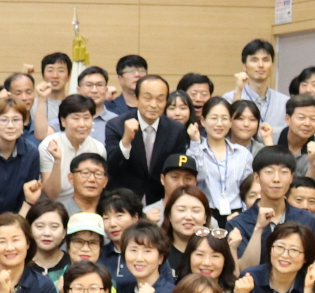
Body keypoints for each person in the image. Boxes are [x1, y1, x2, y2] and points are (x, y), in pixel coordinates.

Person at [105, 73, 187, 203]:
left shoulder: (176, 129)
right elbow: (112, 168)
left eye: (160, 99)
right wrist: (125, 141)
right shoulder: (116, 125)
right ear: (136, 99)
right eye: (147, 98)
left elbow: (176, 169)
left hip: (160, 200)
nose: (154, 105)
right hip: (123, 201)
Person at [0, 98, 41, 223]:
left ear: (23, 124)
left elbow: (27, 196)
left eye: (16, 120)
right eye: (4, 120)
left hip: (16, 220)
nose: (10, 126)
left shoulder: (31, 153)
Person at [188, 96, 253, 218]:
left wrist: (243, 217)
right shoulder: (195, 151)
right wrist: (195, 142)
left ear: (231, 122)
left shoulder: (243, 154)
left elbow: (248, 190)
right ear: (203, 121)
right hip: (206, 214)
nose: (219, 124)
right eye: (214, 118)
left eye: (224, 118)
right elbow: (198, 177)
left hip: (237, 213)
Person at [225, 39, 289, 133]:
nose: (261, 65)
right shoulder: (229, 99)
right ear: (245, 66)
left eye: (265, 60)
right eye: (254, 60)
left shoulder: (284, 102)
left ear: (272, 66)